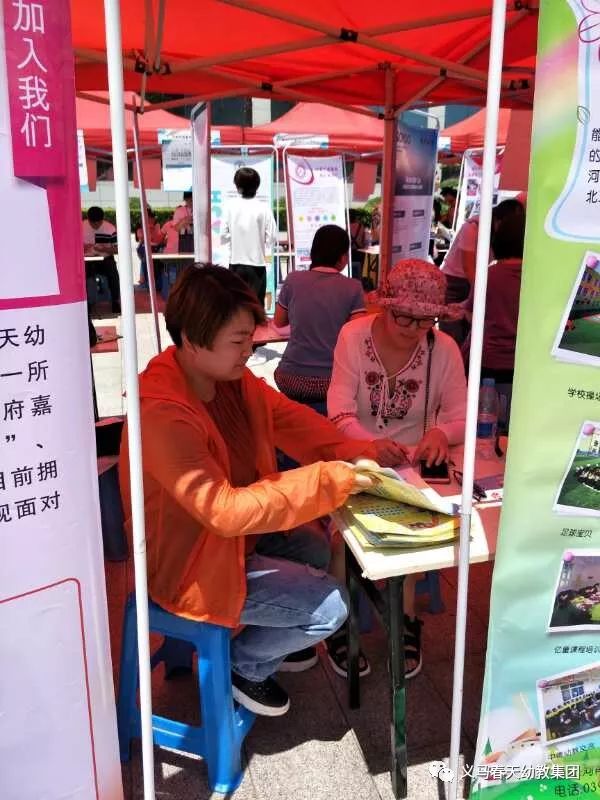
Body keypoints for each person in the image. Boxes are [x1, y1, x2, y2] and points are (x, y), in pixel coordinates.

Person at [119, 264, 381, 716]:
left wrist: (362, 450)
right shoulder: (162, 412)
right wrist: (328, 479)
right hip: (188, 565)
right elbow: (224, 511)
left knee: (315, 547)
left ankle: (275, 638)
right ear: (192, 340)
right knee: (331, 606)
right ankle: (243, 665)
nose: (250, 349)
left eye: (249, 337)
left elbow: (292, 420)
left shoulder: (231, 381)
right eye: (238, 341)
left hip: (229, 543)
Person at [327, 259, 467, 678]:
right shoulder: (353, 336)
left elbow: (461, 414)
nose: (412, 327)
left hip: (411, 468)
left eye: (424, 320)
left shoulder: (444, 348)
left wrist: (441, 432)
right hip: (355, 456)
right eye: (402, 316)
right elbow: (338, 410)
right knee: (343, 540)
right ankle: (339, 622)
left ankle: (405, 620)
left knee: (410, 535)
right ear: (384, 306)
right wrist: (369, 446)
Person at [273, 225, 366, 416]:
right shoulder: (353, 287)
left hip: (290, 376)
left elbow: (279, 322)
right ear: (343, 258)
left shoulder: (293, 280)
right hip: (331, 379)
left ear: (313, 253)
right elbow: (358, 334)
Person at [440, 198, 525, 344]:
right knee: (452, 336)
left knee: (471, 335)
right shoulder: (473, 227)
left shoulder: (500, 238)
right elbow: (469, 267)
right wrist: (481, 293)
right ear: (497, 218)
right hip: (455, 282)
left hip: (477, 282)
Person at [463, 213, 526, 384]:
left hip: (489, 361)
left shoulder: (489, 275)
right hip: (526, 360)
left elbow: (471, 314)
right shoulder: (538, 276)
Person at [221, 167, 278, 308]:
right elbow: (272, 236)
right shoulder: (263, 208)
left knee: (236, 306)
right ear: (257, 186)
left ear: (237, 186)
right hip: (257, 265)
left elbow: (223, 234)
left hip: (235, 264)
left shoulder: (230, 206)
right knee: (256, 306)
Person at [82, 206, 121, 314]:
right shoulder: (81, 226)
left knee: (113, 274)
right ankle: (87, 303)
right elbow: (72, 246)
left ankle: (115, 301)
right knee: (84, 276)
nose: (95, 226)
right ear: (88, 219)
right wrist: (84, 247)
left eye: (98, 223)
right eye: (92, 223)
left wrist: (105, 249)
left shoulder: (110, 228)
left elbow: (118, 249)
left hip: (105, 258)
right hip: (87, 259)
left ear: (102, 219)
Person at [136, 208, 165, 290]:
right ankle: (149, 282)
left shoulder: (157, 226)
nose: (151, 220)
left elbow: (158, 238)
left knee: (157, 263)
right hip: (145, 249)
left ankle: (154, 282)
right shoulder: (140, 228)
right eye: (149, 218)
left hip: (155, 248)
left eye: (152, 218)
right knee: (147, 262)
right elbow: (142, 238)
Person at [349, 209, 366, 281]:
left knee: (349, 271)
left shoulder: (345, 226)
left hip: (349, 252)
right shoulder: (361, 226)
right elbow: (364, 240)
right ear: (356, 217)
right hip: (360, 252)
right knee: (359, 272)